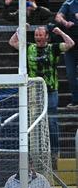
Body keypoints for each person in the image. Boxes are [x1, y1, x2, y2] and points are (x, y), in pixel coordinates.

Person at [9, 25, 75, 165]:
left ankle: (54, 153)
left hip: (51, 90)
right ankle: (35, 154)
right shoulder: (29, 47)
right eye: (36, 35)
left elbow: (70, 44)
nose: (38, 37)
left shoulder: (53, 48)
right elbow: (12, 43)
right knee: (33, 121)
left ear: (46, 36)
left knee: (51, 121)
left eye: (41, 35)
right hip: (34, 90)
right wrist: (19, 31)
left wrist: (60, 32)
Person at [56, 0, 78, 109]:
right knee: (70, 74)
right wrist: (65, 23)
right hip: (71, 45)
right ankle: (76, 101)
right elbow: (58, 16)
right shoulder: (69, 2)